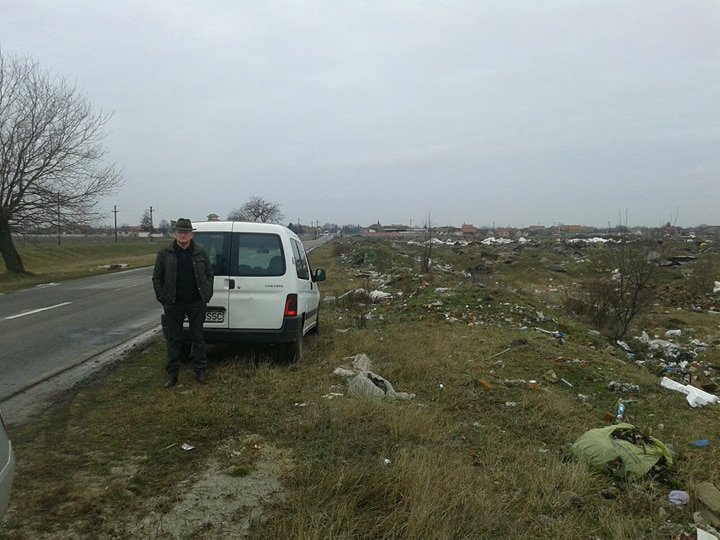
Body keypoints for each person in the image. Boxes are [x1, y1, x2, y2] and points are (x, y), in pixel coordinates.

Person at [152, 218, 214, 387]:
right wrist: (163, 298)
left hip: (196, 302)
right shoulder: (165, 253)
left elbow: (209, 275)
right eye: (180, 232)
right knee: (174, 339)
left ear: (191, 234)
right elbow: (157, 277)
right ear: (174, 234)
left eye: (186, 232)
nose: (183, 235)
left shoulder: (200, 252)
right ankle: (172, 374)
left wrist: (206, 296)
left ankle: (200, 371)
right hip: (173, 303)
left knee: (198, 338)